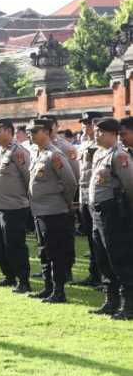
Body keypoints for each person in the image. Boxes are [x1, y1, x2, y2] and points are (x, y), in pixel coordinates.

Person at [27, 119, 77, 303]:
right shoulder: (37, 153)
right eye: (30, 131)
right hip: (39, 210)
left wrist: (65, 202)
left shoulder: (54, 155)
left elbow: (70, 182)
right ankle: (48, 287)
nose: (31, 134)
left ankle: (59, 291)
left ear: (47, 132)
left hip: (54, 211)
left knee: (55, 251)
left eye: (35, 131)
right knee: (43, 250)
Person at [88, 117, 133, 319]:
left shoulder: (119, 155)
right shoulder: (99, 153)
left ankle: (128, 305)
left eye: (100, 132)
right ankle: (111, 300)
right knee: (102, 257)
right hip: (97, 212)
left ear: (112, 134)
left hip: (113, 212)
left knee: (119, 257)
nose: (96, 134)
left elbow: (130, 185)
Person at [0, 119, 32, 294]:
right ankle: (9, 276)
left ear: (8, 130)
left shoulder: (19, 152)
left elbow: (29, 178)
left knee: (15, 245)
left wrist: (28, 202)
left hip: (15, 207)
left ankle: (23, 280)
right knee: (0, 245)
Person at [76, 111, 104, 287]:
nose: (86, 127)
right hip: (84, 197)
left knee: (100, 239)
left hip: (97, 198)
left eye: (89, 124)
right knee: (91, 239)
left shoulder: (103, 146)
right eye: (84, 123)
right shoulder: (83, 143)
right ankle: (94, 274)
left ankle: (104, 276)